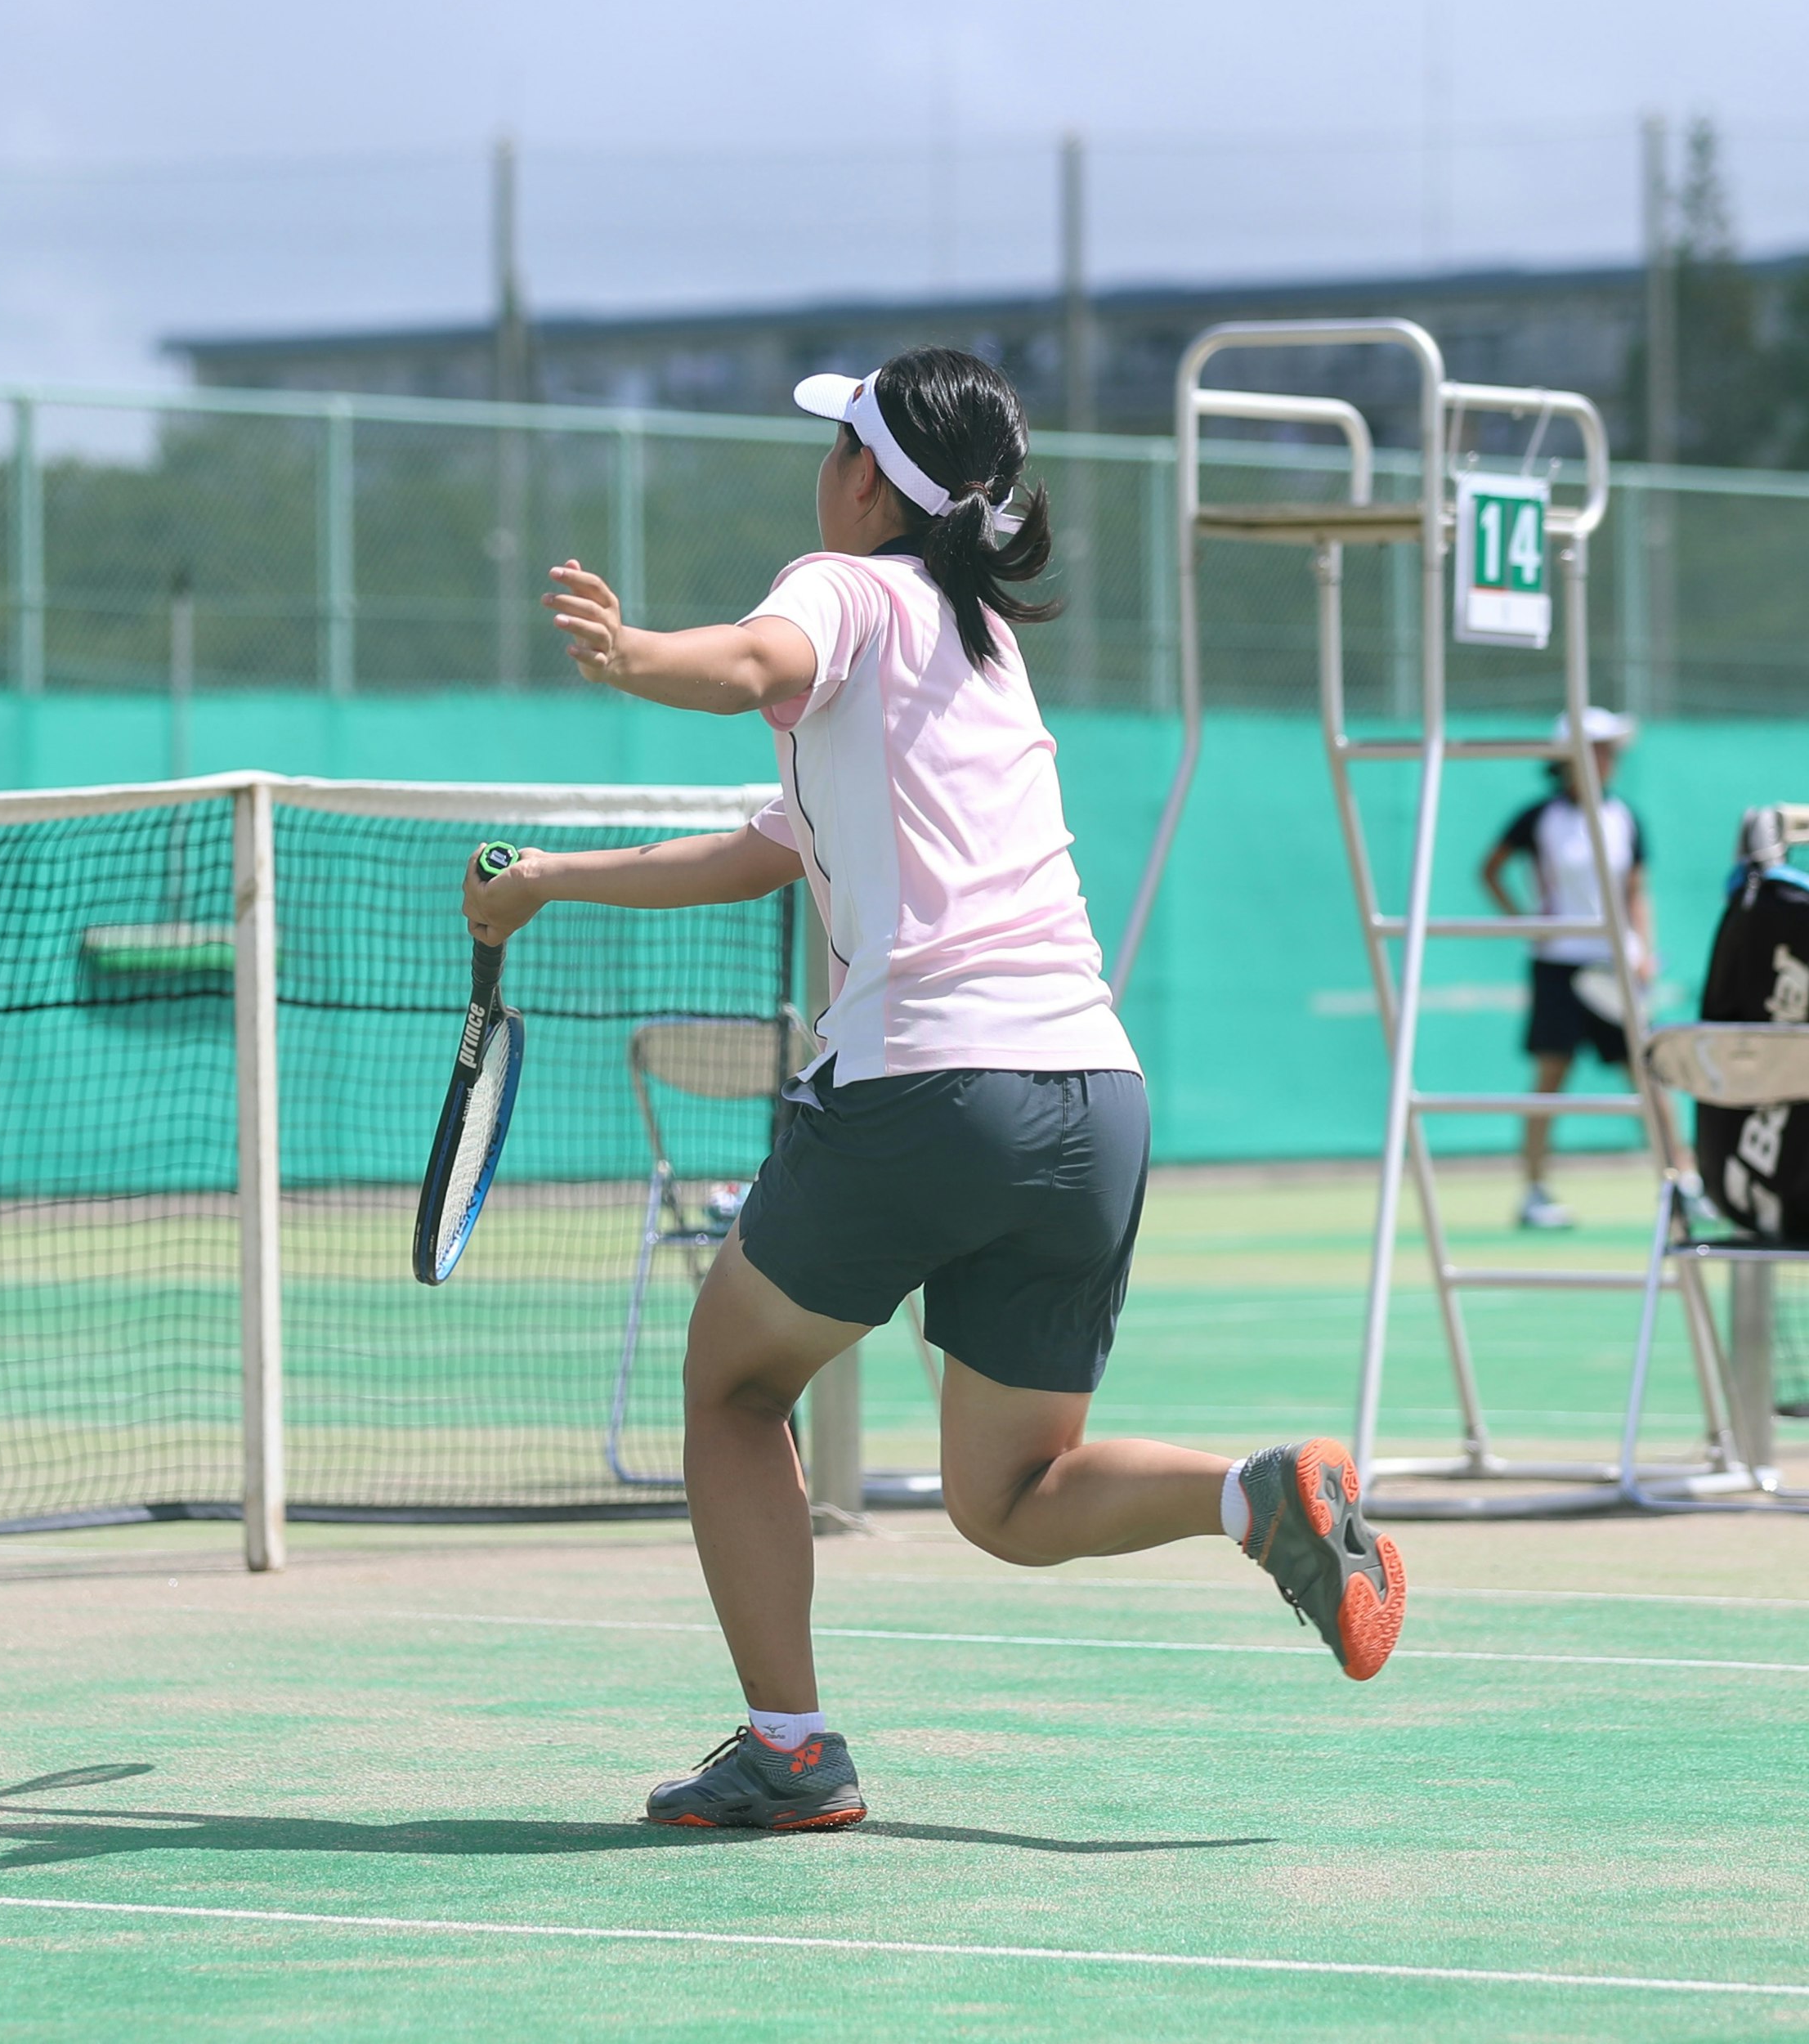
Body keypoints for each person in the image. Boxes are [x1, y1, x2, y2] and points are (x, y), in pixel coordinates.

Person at [461, 347, 1404, 1835]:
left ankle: (788, 1745)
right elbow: (767, 846)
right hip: (1094, 1098)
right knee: (1009, 1498)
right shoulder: (972, 648)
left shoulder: (843, 592)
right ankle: (1258, 1491)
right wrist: (556, 883)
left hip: (928, 1084)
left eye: (837, 437)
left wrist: (637, 654)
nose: (821, 461)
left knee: (733, 1382)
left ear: (865, 480)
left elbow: (757, 662)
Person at [1479, 710, 1655, 1233]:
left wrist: (1643, 951)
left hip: (1613, 966)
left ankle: (1683, 1185)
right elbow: (1490, 870)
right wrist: (1524, 923)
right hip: (1557, 966)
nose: (1609, 759)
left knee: (1648, 1076)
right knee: (1549, 1080)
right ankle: (1534, 1192)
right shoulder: (1538, 819)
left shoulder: (1626, 817)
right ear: (1568, 759)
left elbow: (1636, 893)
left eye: (1612, 750)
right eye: (1599, 748)